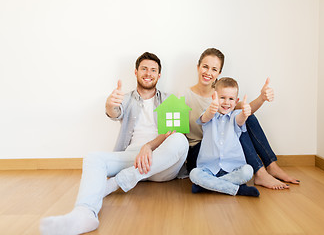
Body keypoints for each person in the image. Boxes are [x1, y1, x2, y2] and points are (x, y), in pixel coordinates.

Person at [40, 52, 189, 235]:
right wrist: (109, 105)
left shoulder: (171, 99)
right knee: (93, 158)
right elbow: (114, 112)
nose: (148, 73)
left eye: (153, 70)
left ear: (159, 75)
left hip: (161, 164)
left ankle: (118, 182)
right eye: (144, 69)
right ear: (135, 72)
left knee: (180, 140)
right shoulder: (125, 98)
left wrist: (148, 146)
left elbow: (171, 134)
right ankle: (84, 213)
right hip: (132, 158)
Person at [184, 48, 300, 190]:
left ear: (219, 73)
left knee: (246, 117)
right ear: (198, 67)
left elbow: (246, 109)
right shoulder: (184, 95)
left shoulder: (224, 97)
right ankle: (257, 174)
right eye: (205, 67)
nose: (208, 72)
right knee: (234, 124)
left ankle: (270, 166)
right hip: (201, 151)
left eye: (214, 69)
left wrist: (262, 98)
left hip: (223, 147)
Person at [189, 77, 260, 197]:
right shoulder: (208, 113)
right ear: (214, 97)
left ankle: (208, 186)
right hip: (209, 169)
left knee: (248, 171)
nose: (227, 102)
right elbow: (205, 117)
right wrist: (211, 110)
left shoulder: (236, 115)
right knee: (194, 174)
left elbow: (240, 119)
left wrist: (245, 112)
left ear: (236, 100)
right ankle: (236, 190)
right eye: (222, 98)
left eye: (231, 99)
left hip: (232, 169)